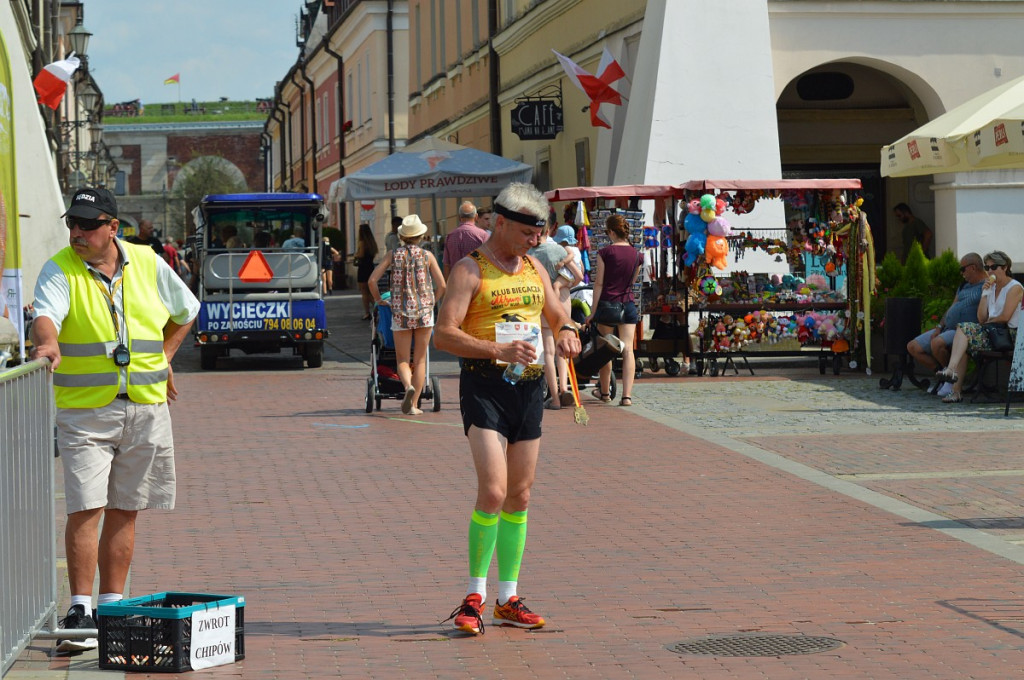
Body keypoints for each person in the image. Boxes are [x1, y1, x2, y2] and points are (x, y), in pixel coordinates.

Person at [29, 188, 199, 654]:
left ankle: (111, 606)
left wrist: (164, 358)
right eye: (72, 224)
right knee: (85, 506)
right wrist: (48, 342)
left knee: (126, 507)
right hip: (86, 409)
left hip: (145, 407)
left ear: (112, 227)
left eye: (87, 224)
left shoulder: (147, 262)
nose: (77, 233)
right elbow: (46, 313)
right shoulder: (60, 267)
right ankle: (79, 608)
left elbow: (187, 311)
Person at [434, 182, 581, 635]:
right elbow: (443, 334)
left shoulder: (534, 266)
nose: (534, 241)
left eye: (538, 234)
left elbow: (556, 314)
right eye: (526, 233)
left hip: (529, 387)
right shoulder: (469, 270)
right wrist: (493, 351)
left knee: (520, 495)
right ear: (500, 223)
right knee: (494, 492)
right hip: (485, 386)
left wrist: (567, 332)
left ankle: (507, 598)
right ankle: (474, 595)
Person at [368, 215, 446, 414]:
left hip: (400, 312)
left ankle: (407, 387)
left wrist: (379, 300)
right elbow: (442, 285)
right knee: (419, 359)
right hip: (424, 314)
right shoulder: (428, 256)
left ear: (402, 236)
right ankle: (413, 405)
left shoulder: (393, 255)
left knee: (402, 359)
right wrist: (431, 302)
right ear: (420, 235)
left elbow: (372, 280)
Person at [935, 250, 1023, 403]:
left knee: (965, 331)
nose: (990, 271)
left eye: (994, 267)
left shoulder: (1014, 287)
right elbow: (981, 318)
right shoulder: (991, 287)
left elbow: (1004, 317)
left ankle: (951, 371)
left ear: (1005, 267)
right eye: (987, 267)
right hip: (994, 333)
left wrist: (986, 324)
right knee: (962, 334)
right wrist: (985, 294)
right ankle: (955, 388)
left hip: (1011, 335)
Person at [906, 252, 986, 395]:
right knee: (913, 347)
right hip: (947, 327)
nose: (961, 273)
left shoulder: (987, 285)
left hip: (963, 330)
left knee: (937, 344)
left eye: (963, 269)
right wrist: (939, 326)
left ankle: (950, 377)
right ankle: (944, 375)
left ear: (973, 267)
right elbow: (952, 307)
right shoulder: (964, 286)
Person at [586, 214, 642, 406]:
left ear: (610, 232)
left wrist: (592, 312)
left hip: (608, 304)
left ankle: (604, 393)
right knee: (627, 349)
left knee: (606, 349)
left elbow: (599, 283)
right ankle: (626, 396)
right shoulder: (637, 254)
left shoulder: (605, 253)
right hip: (628, 304)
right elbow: (633, 281)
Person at [527, 219, 576, 410]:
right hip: (563, 303)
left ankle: (554, 398)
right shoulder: (558, 250)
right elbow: (578, 276)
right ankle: (564, 388)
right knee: (562, 349)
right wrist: (561, 284)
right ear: (550, 230)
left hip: (542, 303)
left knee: (548, 351)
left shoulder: (529, 254)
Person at [443, 201, 490, 279]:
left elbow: (446, 265)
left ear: (459, 217)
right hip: (478, 282)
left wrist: (448, 286)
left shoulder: (450, 236)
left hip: (456, 282)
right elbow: (490, 261)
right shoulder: (483, 235)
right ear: (476, 217)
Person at [354, 223, 379, 320]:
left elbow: (360, 255)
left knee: (364, 292)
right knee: (371, 291)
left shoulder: (362, 243)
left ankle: (367, 312)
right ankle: (377, 308)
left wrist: (355, 255)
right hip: (370, 267)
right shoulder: (372, 242)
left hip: (363, 268)